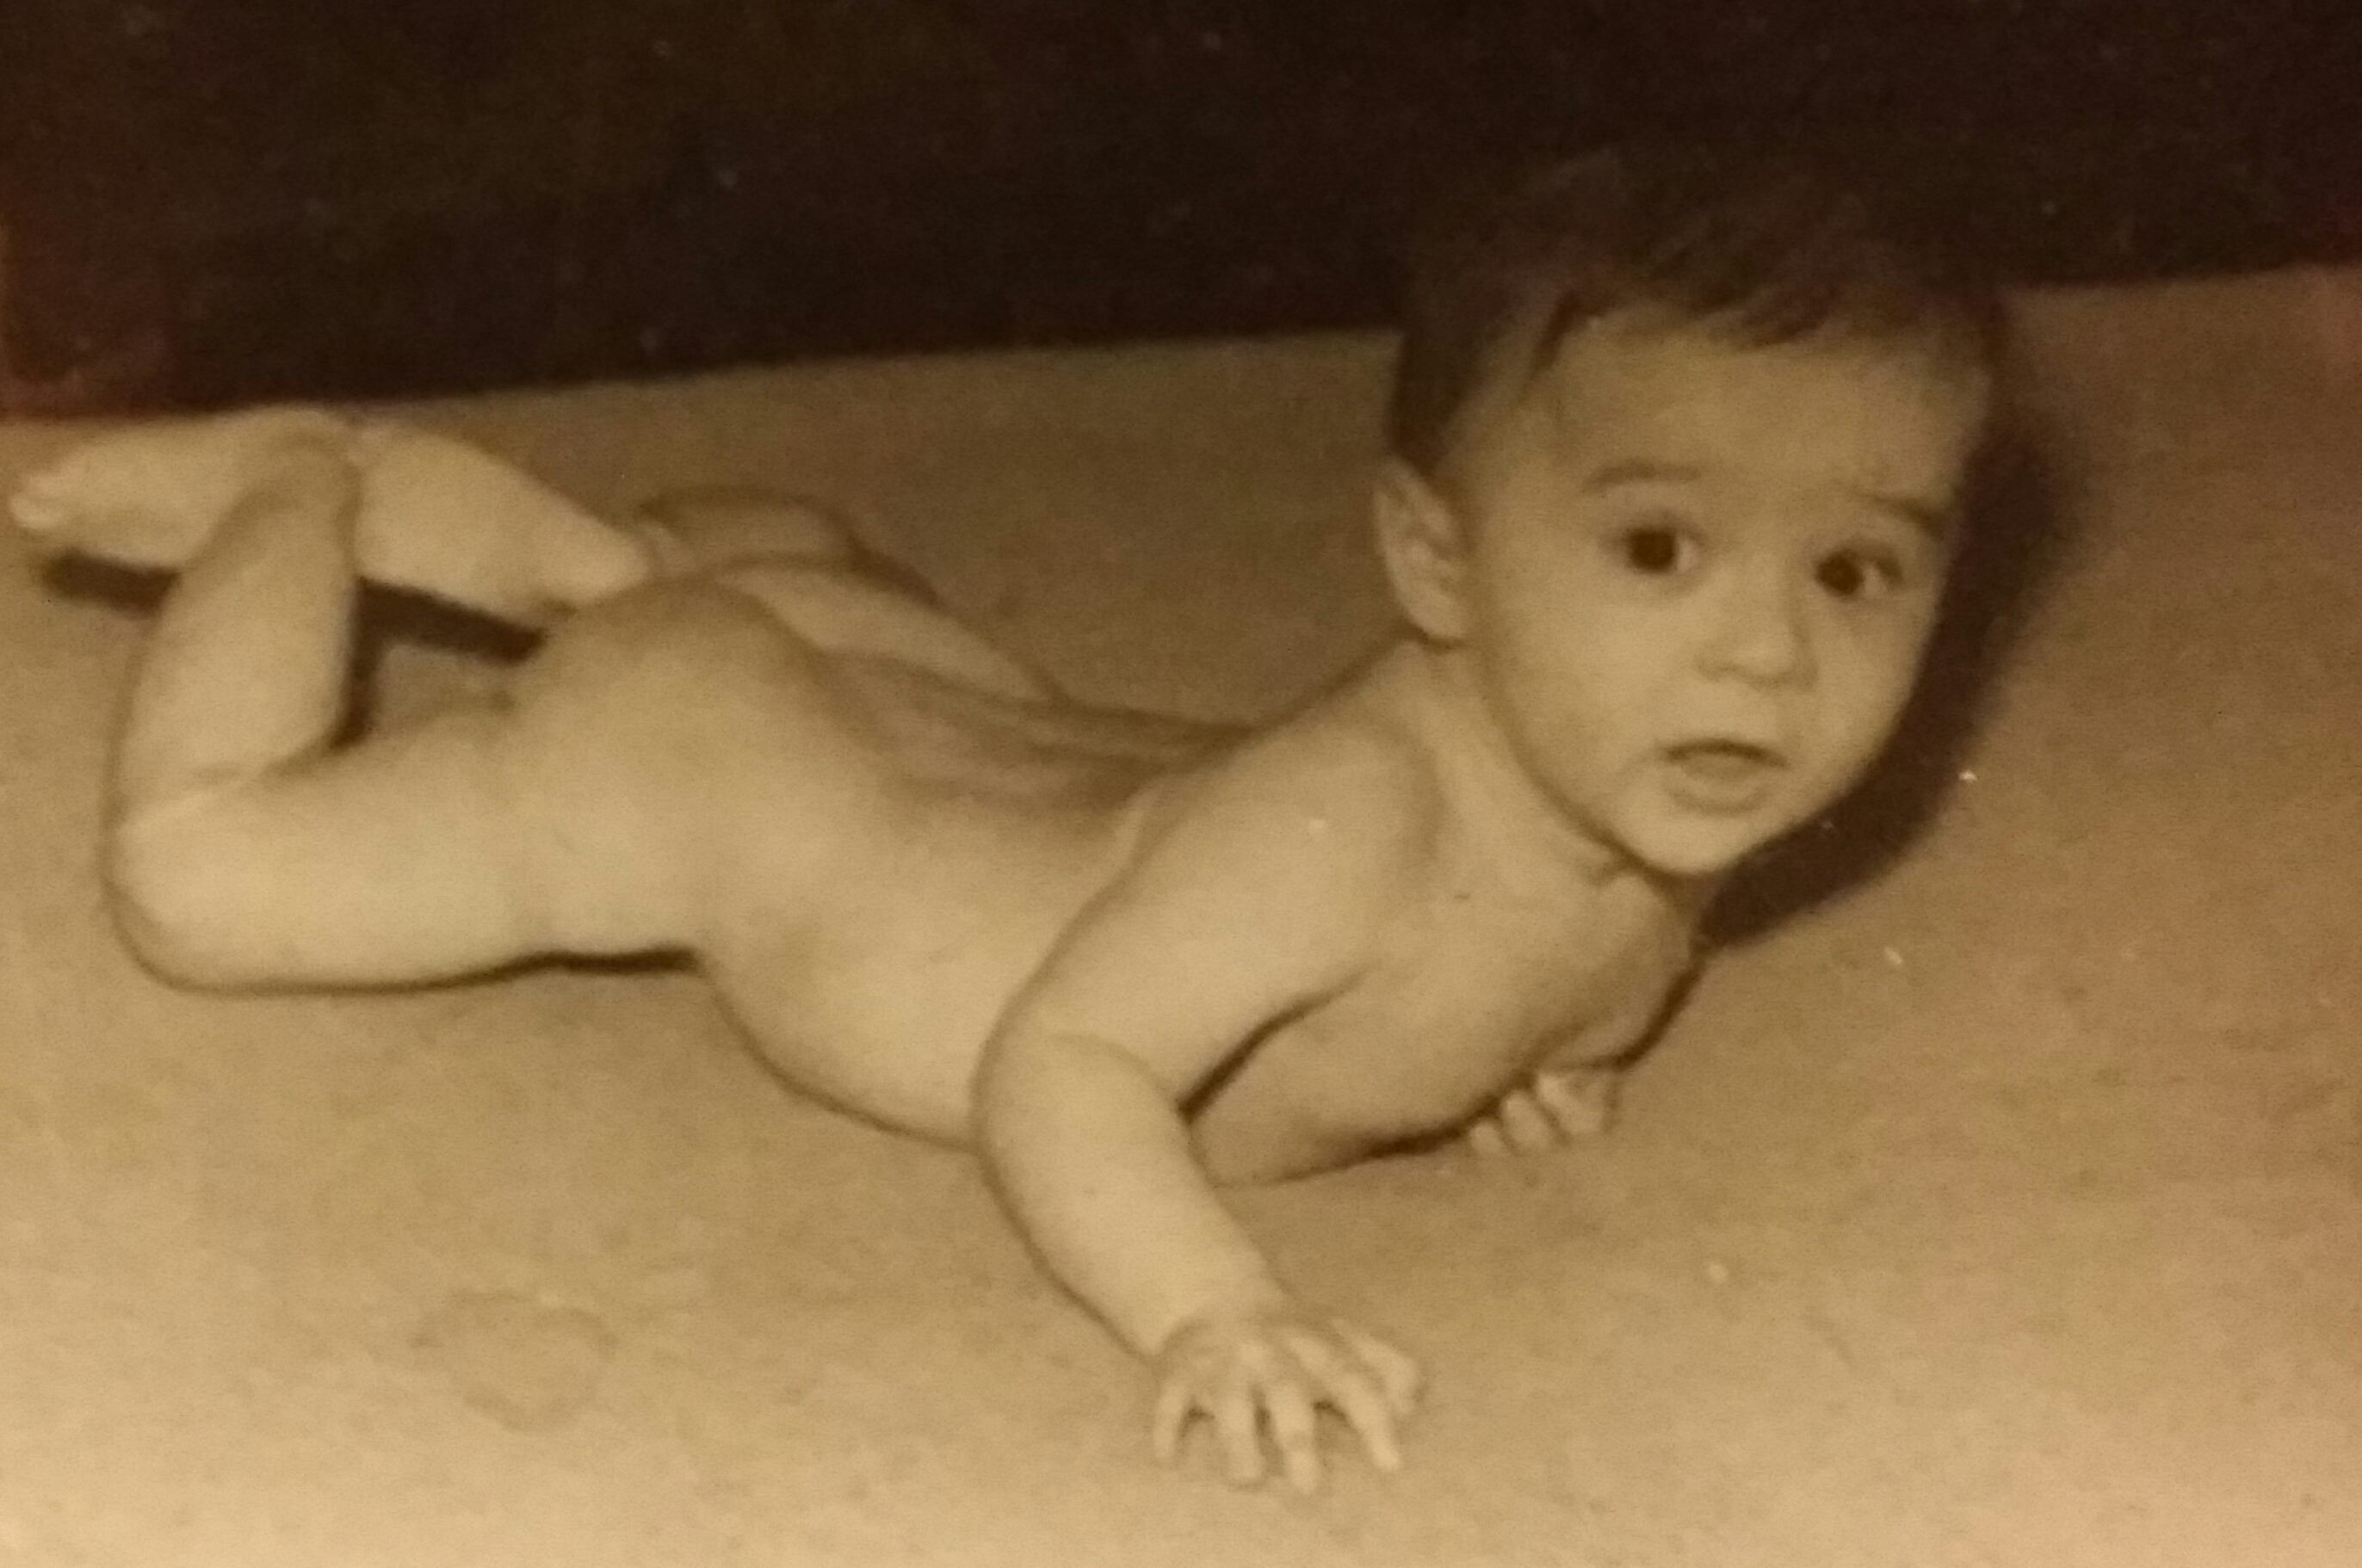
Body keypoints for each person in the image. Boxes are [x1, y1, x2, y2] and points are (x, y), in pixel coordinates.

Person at [8, 143, 2005, 1493]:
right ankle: (299, 487)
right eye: (1659, 546)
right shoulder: (1346, 817)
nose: (1768, 656)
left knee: (799, 629)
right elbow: (1061, 1064)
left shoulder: (1652, 826)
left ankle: (597, 565)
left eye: (1855, 569)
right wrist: (1211, 1304)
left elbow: (1488, 978)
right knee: (203, 878)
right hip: (716, 782)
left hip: (927, 707)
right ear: (1433, 559)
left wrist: (1520, 1051)